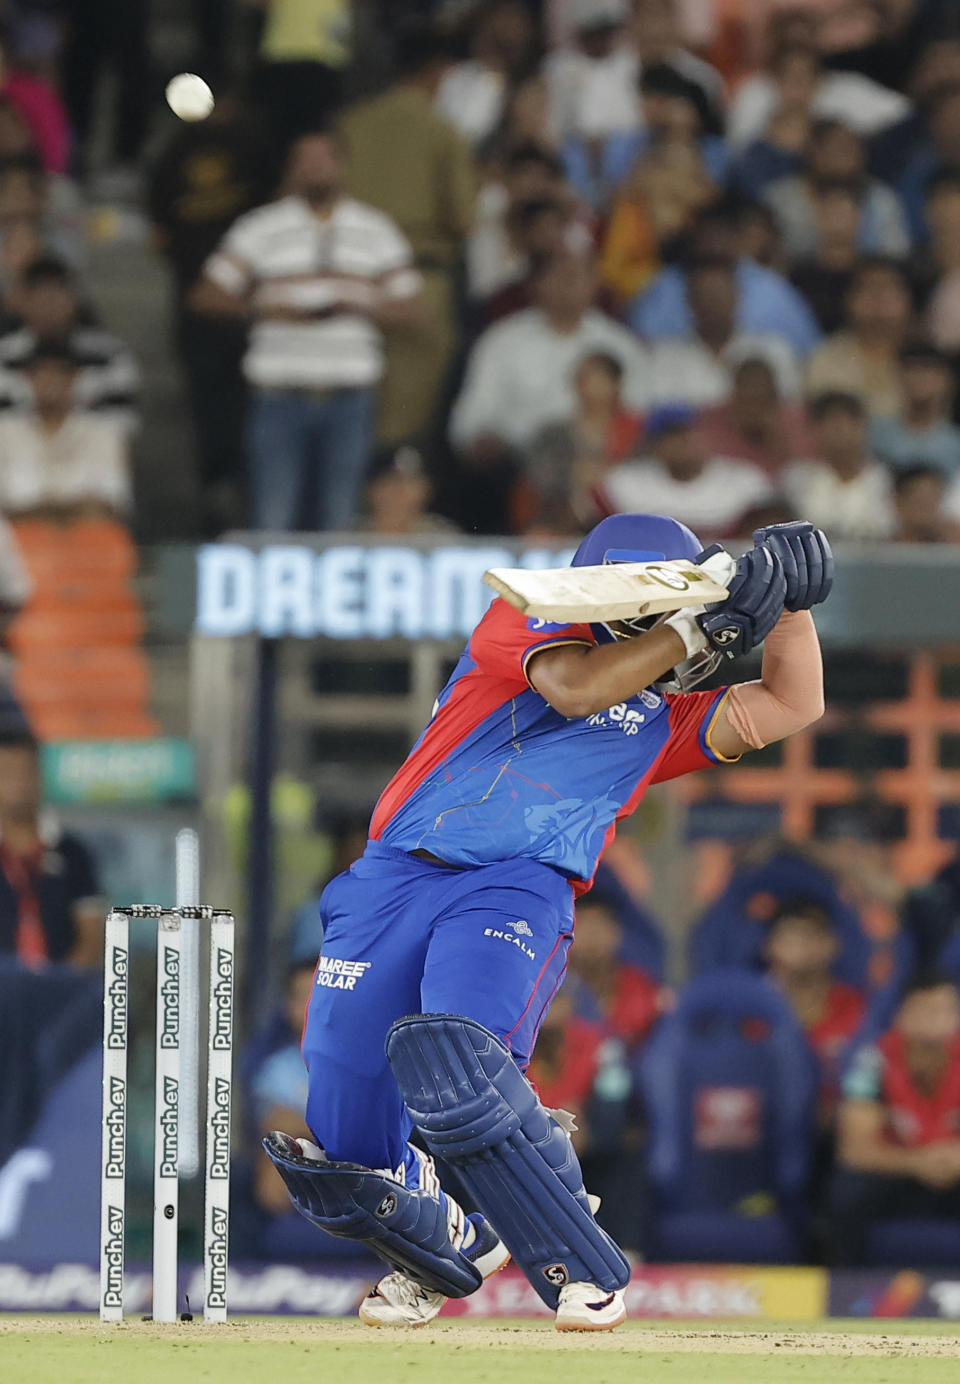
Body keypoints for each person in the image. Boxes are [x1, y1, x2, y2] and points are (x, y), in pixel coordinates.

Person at [262, 510, 831, 1330]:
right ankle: (460, 1236)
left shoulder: (656, 720)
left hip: (518, 886)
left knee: (458, 1062)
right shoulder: (525, 618)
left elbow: (791, 701)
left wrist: (792, 608)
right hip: (394, 875)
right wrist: (693, 629)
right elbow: (574, 687)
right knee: (346, 1124)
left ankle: (577, 1262)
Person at [192, 130, 423, 532]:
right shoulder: (260, 227)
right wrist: (263, 308)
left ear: (341, 164)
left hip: (349, 397)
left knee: (339, 519)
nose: (315, 168)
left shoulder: (375, 229)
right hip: (279, 395)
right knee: (273, 518)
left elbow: (412, 307)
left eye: (323, 159)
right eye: (305, 159)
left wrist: (360, 305)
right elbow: (205, 295)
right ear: (292, 168)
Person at [340, 27, 475, 445]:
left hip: (349, 281)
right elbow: (463, 220)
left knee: (347, 412)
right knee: (404, 427)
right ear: (437, 72)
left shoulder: (350, 124)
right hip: (419, 284)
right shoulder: (440, 130)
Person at [450, 250, 647, 530]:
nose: (569, 283)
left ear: (595, 282)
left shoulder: (621, 346)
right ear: (535, 283)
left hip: (605, 461)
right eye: (559, 274)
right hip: (519, 464)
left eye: (578, 275)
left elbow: (640, 418)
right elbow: (469, 423)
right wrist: (486, 442)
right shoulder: (502, 340)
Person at [831, 974, 960, 1265]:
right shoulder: (871, 1062)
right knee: (847, 1194)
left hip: (955, 1171)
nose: (937, 1021)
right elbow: (855, 1150)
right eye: (927, 1011)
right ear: (901, 1015)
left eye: (947, 1011)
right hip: (900, 1173)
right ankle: (849, 1292)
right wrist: (917, 1162)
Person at [627, 199, 822, 357]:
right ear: (695, 239)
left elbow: (807, 352)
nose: (715, 245)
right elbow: (638, 349)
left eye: (722, 236)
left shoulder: (774, 292)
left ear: (738, 239)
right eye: (708, 236)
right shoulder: (662, 289)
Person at [0, 256, 140, 434]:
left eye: (57, 294)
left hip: (88, 456)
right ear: (23, 301)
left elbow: (122, 426)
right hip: (18, 457)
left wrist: (63, 418)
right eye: (40, 296)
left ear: (74, 299)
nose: (49, 306)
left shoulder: (110, 356)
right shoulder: (3, 356)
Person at [0, 730, 103, 968]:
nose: (18, 783)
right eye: (7, 773)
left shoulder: (73, 853)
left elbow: (92, 937)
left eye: (25, 772)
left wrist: (59, 990)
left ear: (39, 776)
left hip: (62, 995)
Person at [647, 255, 802, 408]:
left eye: (719, 294)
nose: (712, 304)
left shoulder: (773, 352)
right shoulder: (665, 359)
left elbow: (789, 412)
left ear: (738, 296)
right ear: (689, 301)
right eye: (705, 295)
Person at [603, 404, 774, 541]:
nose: (680, 443)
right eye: (668, 438)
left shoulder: (742, 480)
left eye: (686, 434)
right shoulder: (629, 483)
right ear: (654, 447)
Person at [0, 341, 130, 520]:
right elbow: (6, 508)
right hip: (19, 539)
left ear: (75, 378)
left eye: (59, 373)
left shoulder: (103, 431)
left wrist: (43, 509)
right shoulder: (5, 431)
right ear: (27, 378)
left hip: (90, 536)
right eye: (42, 373)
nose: (50, 381)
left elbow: (112, 503)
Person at [763, 897, 866, 1119]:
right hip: (770, 1133)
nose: (802, 942)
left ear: (832, 944)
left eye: (812, 934)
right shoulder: (750, 1010)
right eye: (790, 934)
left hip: (842, 1132)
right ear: (770, 945)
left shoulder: (857, 1006)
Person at [762, 119, 910, 261]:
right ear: (813, 152)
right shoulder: (778, 199)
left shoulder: (881, 199)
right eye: (836, 149)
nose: (844, 159)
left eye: (851, 149)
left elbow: (896, 256)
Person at [805, 257, 914, 420]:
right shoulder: (825, 357)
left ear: (908, 299)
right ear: (848, 299)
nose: (879, 298)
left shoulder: (926, 360)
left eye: (889, 288)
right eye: (868, 288)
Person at [783, 392, 894, 542]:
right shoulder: (797, 480)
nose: (840, 431)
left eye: (847, 422)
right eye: (832, 424)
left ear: (862, 427)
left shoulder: (885, 480)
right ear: (815, 430)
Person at [697, 356, 814, 476]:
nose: (753, 411)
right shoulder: (713, 421)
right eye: (747, 402)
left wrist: (775, 437)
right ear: (734, 396)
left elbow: (806, 468)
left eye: (761, 402)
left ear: (774, 396)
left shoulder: (795, 419)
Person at [871, 343, 960, 480]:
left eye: (927, 369)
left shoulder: (955, 442)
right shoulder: (876, 434)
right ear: (898, 376)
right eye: (911, 369)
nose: (919, 377)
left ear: (946, 380)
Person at [358, 445, 459, 537]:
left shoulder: (444, 541)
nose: (397, 492)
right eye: (388, 482)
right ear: (370, 489)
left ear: (427, 490)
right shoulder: (348, 539)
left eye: (410, 483)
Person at [890, 465, 960, 544]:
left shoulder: (952, 547)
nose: (927, 509)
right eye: (920, 501)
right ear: (898, 501)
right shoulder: (879, 548)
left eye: (933, 501)